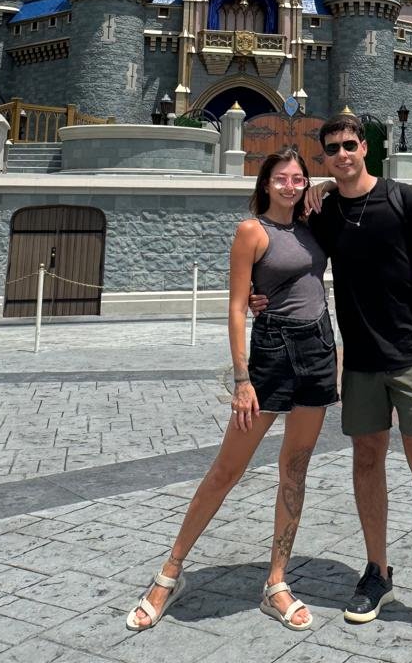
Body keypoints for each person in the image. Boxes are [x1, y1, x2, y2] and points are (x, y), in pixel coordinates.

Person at [256, 113, 412, 654]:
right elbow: (286, 252)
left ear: (364, 147)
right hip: (362, 362)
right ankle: (378, 569)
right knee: (367, 460)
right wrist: (259, 297)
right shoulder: (322, 210)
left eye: (349, 145)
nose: (342, 154)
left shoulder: (405, 198)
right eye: (332, 149)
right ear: (323, 156)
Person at [125, 149, 337, 633]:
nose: (290, 185)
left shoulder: (313, 225)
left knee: (295, 469)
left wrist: (322, 187)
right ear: (265, 184)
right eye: (281, 178)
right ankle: (169, 573)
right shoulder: (251, 231)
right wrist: (243, 380)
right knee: (227, 468)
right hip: (271, 354)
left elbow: (347, 191)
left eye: (298, 178)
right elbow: (238, 307)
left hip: (319, 348)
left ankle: (277, 583)